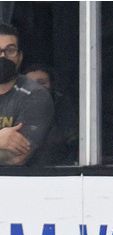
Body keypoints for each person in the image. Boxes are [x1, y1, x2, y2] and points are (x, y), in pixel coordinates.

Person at [0, 23, 54, 166]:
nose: (3, 56)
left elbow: (15, 158)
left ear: (20, 57)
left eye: (10, 50)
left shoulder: (35, 95)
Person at [24, 63, 78, 165]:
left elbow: (74, 145)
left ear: (52, 85)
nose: (36, 87)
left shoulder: (64, 111)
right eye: (30, 83)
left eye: (42, 82)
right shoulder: (14, 109)